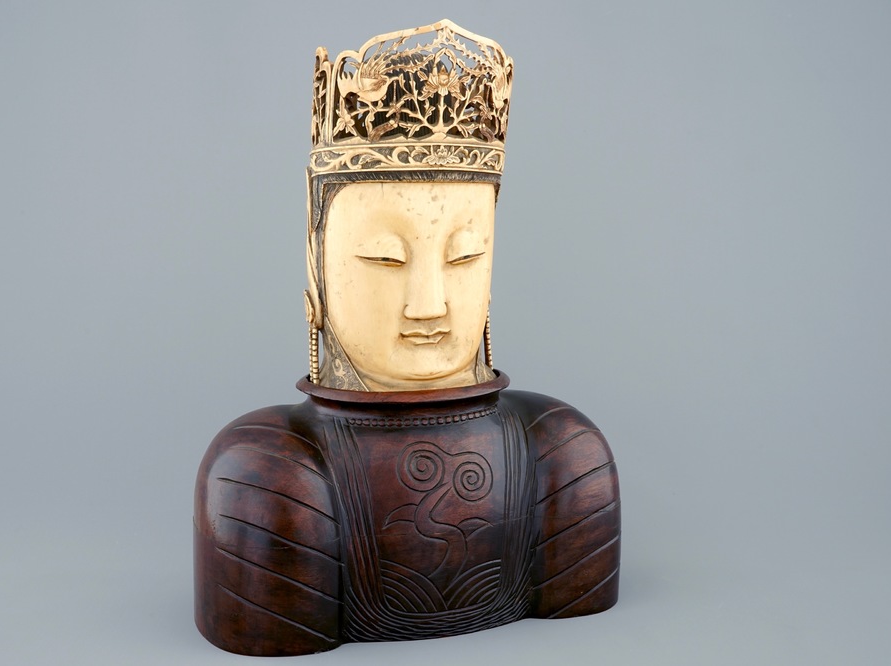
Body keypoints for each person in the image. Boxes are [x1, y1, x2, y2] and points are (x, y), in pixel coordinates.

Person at [194, 20, 620, 656]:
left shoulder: (561, 455)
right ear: (316, 263)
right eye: (385, 258)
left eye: (466, 254)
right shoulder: (267, 474)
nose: (429, 304)